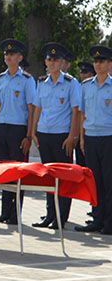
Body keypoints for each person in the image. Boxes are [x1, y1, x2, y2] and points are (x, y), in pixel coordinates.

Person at [27, 42, 81, 229]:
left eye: (55, 59)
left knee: (63, 178)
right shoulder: (42, 82)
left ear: (62, 62)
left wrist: (72, 136)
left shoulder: (71, 83)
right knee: (48, 177)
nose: (52, 62)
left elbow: (76, 111)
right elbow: (37, 108)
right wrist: (33, 132)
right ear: (45, 62)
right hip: (44, 133)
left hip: (62, 136)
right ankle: (50, 214)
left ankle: (60, 217)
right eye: (49, 59)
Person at [0, 39, 37, 224]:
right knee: (4, 170)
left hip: (18, 129)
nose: (8, 57)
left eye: (12, 54)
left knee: (17, 171)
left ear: (20, 57)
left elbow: (31, 108)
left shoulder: (27, 80)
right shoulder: (0, 79)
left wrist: (29, 135)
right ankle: (4, 212)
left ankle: (15, 214)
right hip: (2, 127)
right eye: (6, 54)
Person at [75, 46, 112, 234]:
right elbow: (82, 114)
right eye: (96, 61)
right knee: (94, 181)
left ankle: (109, 222)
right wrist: (81, 138)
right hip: (90, 137)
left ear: (109, 64)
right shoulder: (86, 86)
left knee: (108, 180)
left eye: (102, 61)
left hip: (108, 137)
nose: (98, 64)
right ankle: (97, 219)